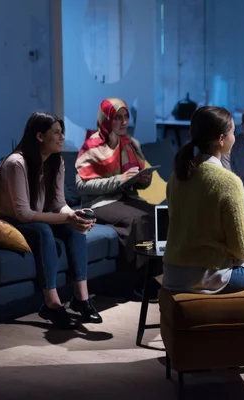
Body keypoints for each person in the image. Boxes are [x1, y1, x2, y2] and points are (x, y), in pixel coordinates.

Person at [162, 106, 244, 369]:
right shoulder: (227, 181)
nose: (237, 138)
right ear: (222, 139)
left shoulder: (178, 175)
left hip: (173, 273)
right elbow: (242, 249)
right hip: (206, 276)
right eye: (234, 132)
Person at [0, 112, 101, 329]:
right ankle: (52, 303)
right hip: (2, 219)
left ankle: (81, 299)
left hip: (26, 217)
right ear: (39, 136)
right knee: (43, 231)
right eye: (56, 133)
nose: (62, 137)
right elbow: (24, 214)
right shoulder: (16, 163)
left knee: (74, 228)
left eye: (62, 132)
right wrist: (67, 217)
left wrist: (74, 216)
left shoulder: (56, 161)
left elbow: (59, 202)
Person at [75, 98, 155, 297]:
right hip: (99, 202)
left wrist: (143, 178)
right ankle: (132, 283)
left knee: (158, 214)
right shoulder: (92, 146)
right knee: (136, 219)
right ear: (106, 119)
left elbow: (141, 183)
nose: (124, 122)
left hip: (124, 197)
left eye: (126, 117)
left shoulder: (130, 144)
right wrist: (118, 180)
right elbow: (81, 185)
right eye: (117, 117)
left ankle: (152, 276)